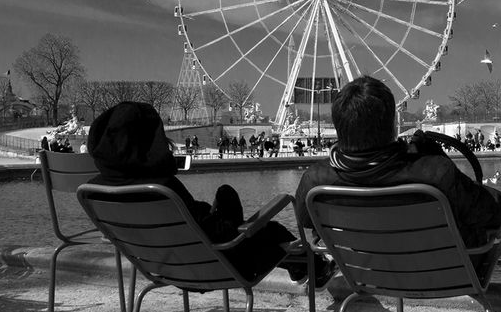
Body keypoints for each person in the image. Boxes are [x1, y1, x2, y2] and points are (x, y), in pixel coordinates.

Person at [86, 102, 335, 287]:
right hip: (219, 267)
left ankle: (305, 267)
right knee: (271, 230)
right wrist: (223, 210)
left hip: (161, 267)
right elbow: (221, 235)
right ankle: (316, 268)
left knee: (230, 205)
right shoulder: (161, 187)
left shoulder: (96, 190)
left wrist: (206, 211)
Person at [295, 76, 501, 274]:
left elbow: (306, 222)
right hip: (446, 275)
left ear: (339, 126)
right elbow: (494, 211)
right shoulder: (435, 174)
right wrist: (436, 158)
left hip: (367, 275)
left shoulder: (315, 180)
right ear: (393, 126)